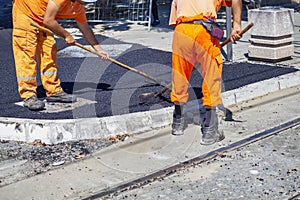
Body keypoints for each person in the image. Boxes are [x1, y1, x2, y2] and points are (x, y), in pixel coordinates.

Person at [12, 0, 109, 111]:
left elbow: (85, 27)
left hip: (43, 16)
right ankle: (28, 95)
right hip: (26, 12)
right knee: (26, 53)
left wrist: (98, 49)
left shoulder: (78, 7)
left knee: (49, 52)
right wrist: (66, 35)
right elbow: (49, 20)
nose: (86, 4)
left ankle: (53, 90)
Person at [169, 0, 242, 145]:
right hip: (204, 31)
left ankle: (178, 123)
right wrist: (237, 25)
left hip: (182, 30)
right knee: (211, 75)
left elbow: (174, 18)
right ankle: (209, 130)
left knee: (180, 74)